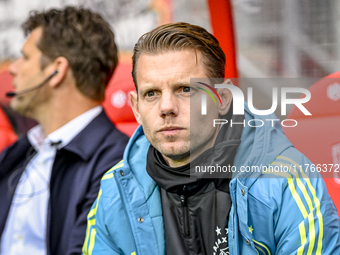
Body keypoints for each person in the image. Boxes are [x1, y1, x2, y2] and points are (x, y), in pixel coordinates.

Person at [83, 23, 340, 255]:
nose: (166, 107)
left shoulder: (285, 179)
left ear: (224, 99)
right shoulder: (116, 189)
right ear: (136, 108)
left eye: (185, 89)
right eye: (151, 93)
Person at [0, 7, 129, 255]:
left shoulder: (117, 164)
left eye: (25, 57)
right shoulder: (22, 151)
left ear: (56, 70)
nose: (13, 69)